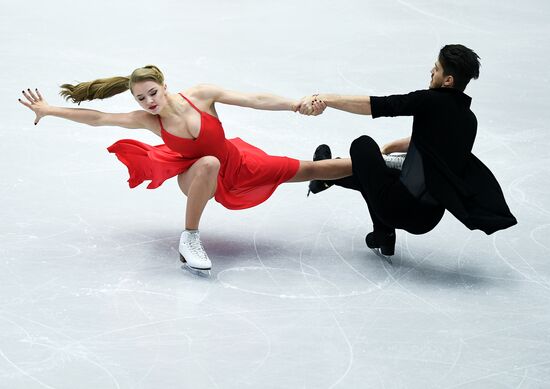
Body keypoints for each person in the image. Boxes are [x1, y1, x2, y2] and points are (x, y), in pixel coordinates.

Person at [18, 65, 352, 274]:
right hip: (196, 174)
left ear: (164, 85)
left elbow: (255, 99)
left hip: (239, 163)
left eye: (152, 93)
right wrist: (49, 110)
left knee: (310, 169)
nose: (149, 101)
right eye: (140, 98)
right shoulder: (148, 120)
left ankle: (376, 162)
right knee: (208, 162)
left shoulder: (201, 96)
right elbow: (99, 119)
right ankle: (189, 238)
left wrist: (295, 104)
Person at [299, 44, 517, 261]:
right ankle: (381, 233)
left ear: (448, 80)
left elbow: (377, 105)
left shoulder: (430, 100)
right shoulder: (469, 120)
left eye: (437, 68)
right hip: (428, 219)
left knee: (362, 145)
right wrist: (389, 148)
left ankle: (328, 178)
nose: (431, 72)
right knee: (378, 169)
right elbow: (432, 145)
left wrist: (325, 98)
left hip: (397, 207)